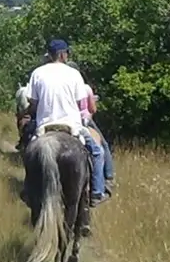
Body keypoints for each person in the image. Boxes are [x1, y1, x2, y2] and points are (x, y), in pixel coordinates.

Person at [25, 39, 109, 204]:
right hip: (72, 126)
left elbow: (33, 103)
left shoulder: (37, 72)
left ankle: (28, 190)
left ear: (49, 55)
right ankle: (96, 193)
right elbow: (80, 103)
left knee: (28, 151)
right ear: (63, 54)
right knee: (97, 152)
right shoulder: (74, 73)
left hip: (44, 127)